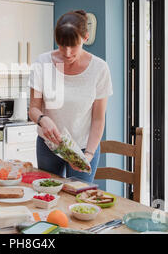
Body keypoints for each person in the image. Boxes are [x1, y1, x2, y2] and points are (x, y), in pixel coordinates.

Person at [29, 10, 113, 182]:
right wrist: (43, 119)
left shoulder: (99, 69)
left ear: (85, 38)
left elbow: (98, 119)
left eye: (73, 46)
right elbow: (33, 109)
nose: (67, 53)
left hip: (83, 148)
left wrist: (88, 155)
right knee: (49, 196)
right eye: (61, 45)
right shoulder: (42, 63)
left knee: (79, 200)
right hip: (49, 145)